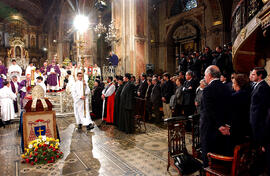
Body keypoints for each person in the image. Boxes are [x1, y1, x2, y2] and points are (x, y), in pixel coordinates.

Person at [200, 65, 232, 167]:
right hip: (224, 128)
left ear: (209, 75)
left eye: (205, 76)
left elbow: (209, 111)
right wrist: (226, 125)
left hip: (210, 128)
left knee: (208, 153)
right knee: (220, 151)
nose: (205, 78)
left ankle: (208, 171)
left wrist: (219, 126)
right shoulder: (227, 87)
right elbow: (229, 108)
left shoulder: (207, 89)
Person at [249, 67, 270, 173]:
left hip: (259, 124)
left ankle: (260, 169)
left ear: (260, 76)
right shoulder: (256, 85)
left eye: (253, 74)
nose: (251, 76)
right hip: (254, 123)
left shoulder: (263, 87)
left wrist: (260, 126)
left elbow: (263, 110)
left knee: (260, 148)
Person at [231, 74, 251, 146]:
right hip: (246, 124)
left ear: (237, 84)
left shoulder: (235, 96)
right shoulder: (248, 93)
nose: (232, 85)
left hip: (237, 126)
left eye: (233, 83)